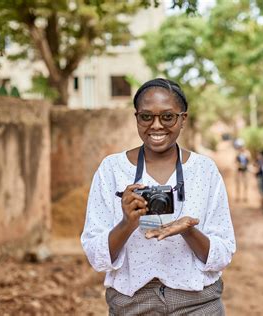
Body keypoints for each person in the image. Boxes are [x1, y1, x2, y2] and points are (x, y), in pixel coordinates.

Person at [81, 78, 236, 315]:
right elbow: (96, 257)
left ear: (183, 119)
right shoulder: (112, 170)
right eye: (146, 116)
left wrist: (188, 230)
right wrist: (126, 223)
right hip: (132, 304)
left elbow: (222, 254)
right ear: (136, 118)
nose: (156, 126)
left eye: (167, 117)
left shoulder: (204, 170)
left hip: (198, 304)